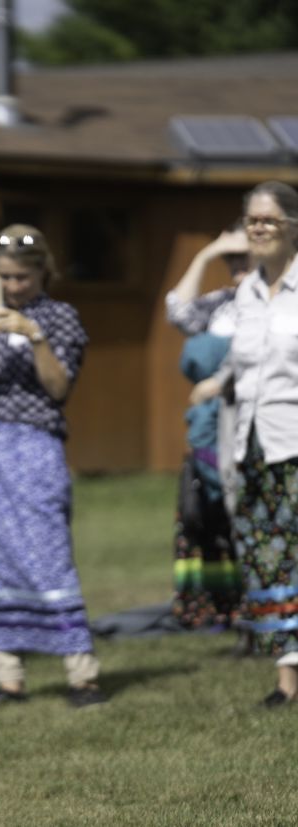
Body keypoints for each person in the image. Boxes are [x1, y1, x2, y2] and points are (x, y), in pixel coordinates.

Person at [0, 224, 103, 708]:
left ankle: (81, 675)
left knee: (47, 555)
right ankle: (8, 677)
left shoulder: (61, 318)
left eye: (22, 277)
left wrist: (34, 335)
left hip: (36, 443)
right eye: (4, 277)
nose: (13, 287)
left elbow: (59, 388)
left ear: (43, 271)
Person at [225, 180, 298, 707]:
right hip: (251, 446)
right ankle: (286, 682)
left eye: (268, 220)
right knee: (269, 559)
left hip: (295, 441)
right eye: (252, 220)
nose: (258, 229)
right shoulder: (245, 292)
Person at [164, 227, 253, 630]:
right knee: (210, 518)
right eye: (230, 259)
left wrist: (220, 384)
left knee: (252, 515)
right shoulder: (220, 305)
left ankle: (263, 610)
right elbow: (178, 312)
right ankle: (223, 606)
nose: (237, 264)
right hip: (206, 431)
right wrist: (207, 253)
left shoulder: (279, 304)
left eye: (245, 256)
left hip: (250, 423)